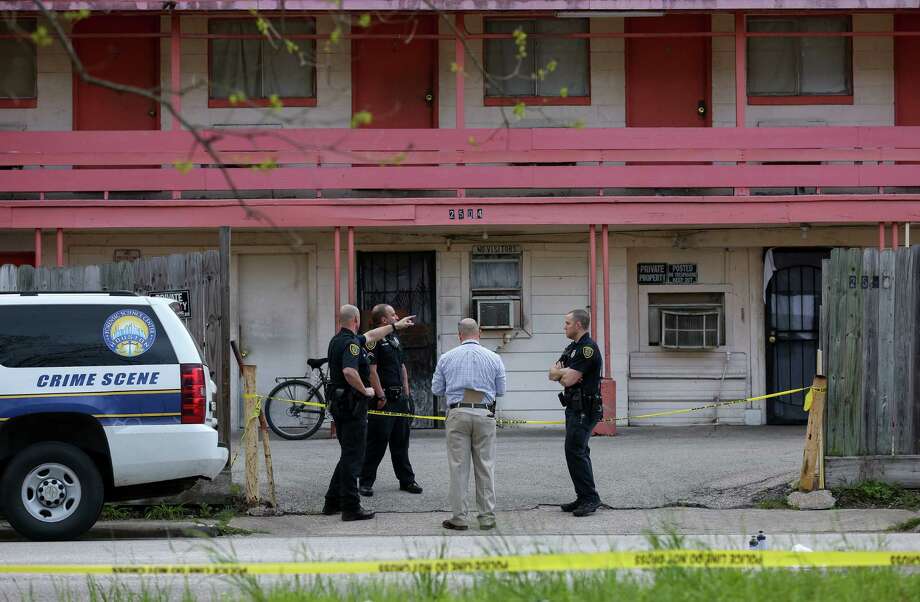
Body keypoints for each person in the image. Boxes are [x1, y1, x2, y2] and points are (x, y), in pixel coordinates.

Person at [322, 304, 415, 521]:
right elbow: (349, 371)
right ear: (356, 319)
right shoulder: (351, 344)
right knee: (354, 457)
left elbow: (372, 334)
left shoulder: (338, 340)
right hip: (351, 407)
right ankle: (351, 508)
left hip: (340, 405)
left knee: (347, 454)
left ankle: (331, 501)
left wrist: (395, 326)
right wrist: (366, 390)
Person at [431, 318, 506, 531]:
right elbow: (500, 390)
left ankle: (460, 518)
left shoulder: (446, 358)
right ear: (479, 333)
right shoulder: (494, 358)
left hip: (457, 413)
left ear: (459, 335)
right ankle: (487, 518)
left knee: (458, 468)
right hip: (484, 414)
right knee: (485, 467)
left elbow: (436, 389)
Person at [358, 303, 422, 497]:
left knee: (401, 442)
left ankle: (407, 480)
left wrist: (407, 394)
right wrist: (380, 395)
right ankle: (366, 482)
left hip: (399, 398)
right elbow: (371, 371)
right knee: (376, 443)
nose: (396, 317)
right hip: (383, 400)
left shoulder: (394, 337)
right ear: (384, 320)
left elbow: (402, 367)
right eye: (393, 315)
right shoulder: (373, 339)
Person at [548, 308, 603, 517]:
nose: (564, 327)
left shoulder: (587, 349)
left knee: (575, 451)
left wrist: (564, 374)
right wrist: (563, 373)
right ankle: (583, 496)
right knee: (576, 451)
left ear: (578, 325)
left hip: (585, 409)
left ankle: (590, 498)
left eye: (567, 323)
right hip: (573, 407)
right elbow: (552, 373)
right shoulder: (572, 348)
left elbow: (568, 380)